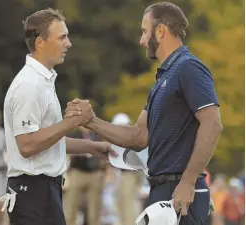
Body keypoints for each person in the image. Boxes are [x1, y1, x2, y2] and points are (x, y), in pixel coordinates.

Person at [65, 2, 222, 225]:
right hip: (161, 189)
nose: (141, 40)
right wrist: (91, 121)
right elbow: (138, 137)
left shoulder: (189, 68)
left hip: (182, 190)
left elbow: (213, 124)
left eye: (144, 31)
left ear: (160, 31)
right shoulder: (162, 79)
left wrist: (187, 182)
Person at [0, 8, 116, 225]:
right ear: (40, 42)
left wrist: (92, 148)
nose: (69, 43)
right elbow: (27, 145)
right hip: (32, 192)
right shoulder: (29, 85)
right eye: (62, 37)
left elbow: (46, 140)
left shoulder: (42, 81)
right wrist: (72, 122)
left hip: (42, 190)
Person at [64, 127, 106, 225]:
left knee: (94, 210)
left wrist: (102, 170)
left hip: (95, 173)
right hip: (78, 172)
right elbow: (67, 151)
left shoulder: (96, 134)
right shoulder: (74, 134)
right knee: (71, 207)